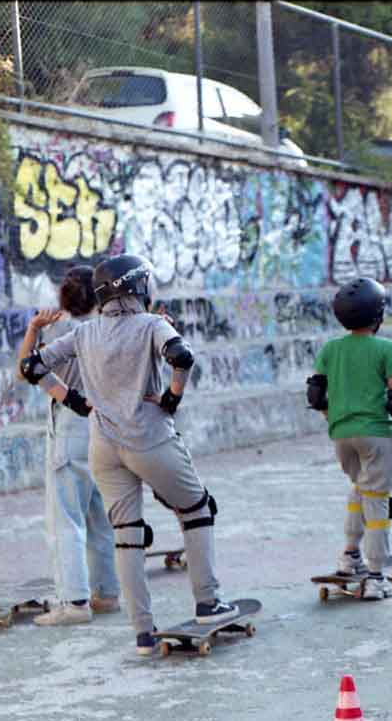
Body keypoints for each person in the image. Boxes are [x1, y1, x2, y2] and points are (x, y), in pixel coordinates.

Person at [18, 253, 239, 657]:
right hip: (150, 438)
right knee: (196, 508)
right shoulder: (151, 325)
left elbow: (31, 368)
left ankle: (142, 632)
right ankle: (208, 601)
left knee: (127, 536)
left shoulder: (84, 334)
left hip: (103, 446)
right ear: (137, 286)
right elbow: (182, 357)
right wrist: (171, 398)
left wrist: (74, 401)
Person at [306, 277, 392, 600]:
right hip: (376, 434)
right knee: (377, 502)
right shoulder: (386, 349)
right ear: (379, 314)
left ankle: (350, 556)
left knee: (359, 490)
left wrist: (337, 420)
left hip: (342, 435)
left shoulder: (330, 349)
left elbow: (316, 396)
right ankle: (375, 576)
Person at [15, 266, 122, 626]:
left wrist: (33, 329)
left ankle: (74, 602)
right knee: (100, 516)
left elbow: (26, 371)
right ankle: (106, 593)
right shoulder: (108, 328)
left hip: (73, 425)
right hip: (107, 425)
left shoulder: (61, 332)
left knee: (65, 517)